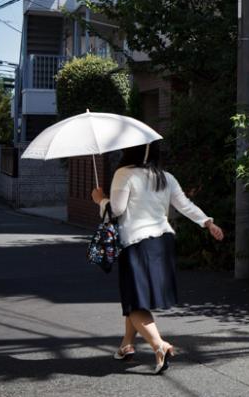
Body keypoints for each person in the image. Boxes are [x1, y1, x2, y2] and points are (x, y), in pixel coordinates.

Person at [91, 143, 224, 374]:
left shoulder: (124, 173)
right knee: (136, 297)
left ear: (128, 152)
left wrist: (100, 199)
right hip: (163, 243)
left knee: (134, 302)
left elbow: (117, 210)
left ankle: (158, 345)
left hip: (136, 244)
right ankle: (126, 345)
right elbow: (184, 205)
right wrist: (208, 222)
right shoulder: (166, 177)